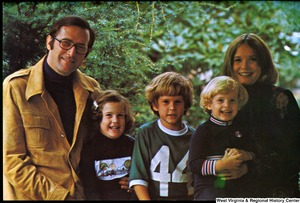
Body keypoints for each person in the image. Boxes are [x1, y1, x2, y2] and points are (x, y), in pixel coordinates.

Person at [3, 15, 102, 200]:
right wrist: (60, 196)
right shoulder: (15, 87)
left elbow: (100, 147)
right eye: (66, 43)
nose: (71, 53)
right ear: (50, 42)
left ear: (85, 54)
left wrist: (125, 174)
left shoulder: (92, 90)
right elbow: (11, 161)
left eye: (80, 48)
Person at [222, 33, 300, 197]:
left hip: (276, 194)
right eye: (238, 60)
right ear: (230, 64)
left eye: (253, 59)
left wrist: (249, 167)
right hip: (234, 194)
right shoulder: (223, 101)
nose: (245, 66)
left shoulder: (281, 99)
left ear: (263, 63)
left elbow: (294, 155)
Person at [129, 71, 195, 200]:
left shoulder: (195, 136)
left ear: (185, 104)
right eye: (166, 102)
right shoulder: (146, 133)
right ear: (155, 105)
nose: (172, 107)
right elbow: (138, 178)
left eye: (177, 102)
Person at [188, 76, 256, 200]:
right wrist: (222, 164)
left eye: (232, 100)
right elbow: (194, 165)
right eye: (220, 100)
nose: (227, 105)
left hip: (237, 186)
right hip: (209, 187)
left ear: (239, 104)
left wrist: (246, 155)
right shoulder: (203, 131)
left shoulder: (242, 130)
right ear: (209, 104)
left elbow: (255, 154)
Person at [80, 90, 137, 200]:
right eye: (109, 115)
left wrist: (135, 182)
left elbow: (141, 177)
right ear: (98, 117)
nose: (115, 120)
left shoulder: (132, 145)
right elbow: (91, 189)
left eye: (120, 115)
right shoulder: (90, 149)